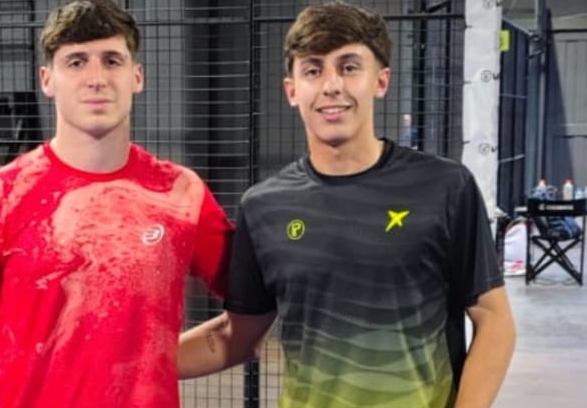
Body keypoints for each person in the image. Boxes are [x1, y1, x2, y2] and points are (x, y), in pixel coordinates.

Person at [178, 2, 516, 407]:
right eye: (313, 70)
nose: (331, 85)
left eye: (349, 67)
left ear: (381, 81)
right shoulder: (263, 207)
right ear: (292, 90)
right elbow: (237, 335)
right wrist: (130, 359)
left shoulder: (445, 187)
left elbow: (493, 320)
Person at [0, 1, 233, 407]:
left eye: (111, 60)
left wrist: (156, 361)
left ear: (136, 76)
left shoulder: (181, 195)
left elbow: (252, 312)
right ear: (48, 80)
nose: (96, 79)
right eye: (77, 62)